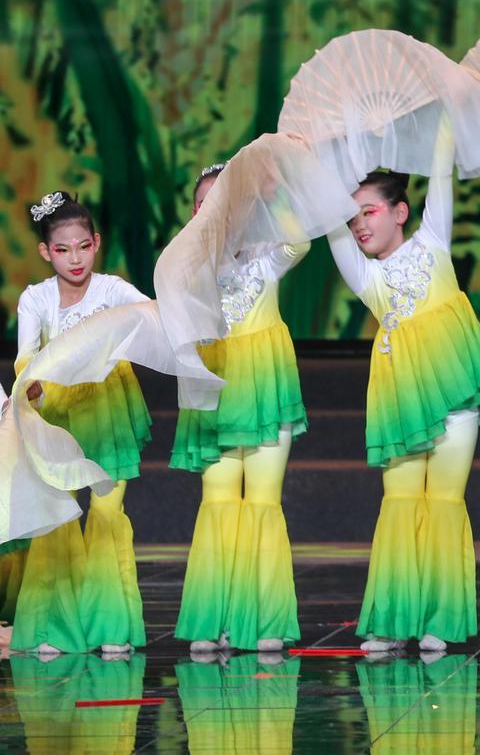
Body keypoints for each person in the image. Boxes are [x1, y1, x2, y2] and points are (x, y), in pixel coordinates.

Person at [325, 119, 480, 653]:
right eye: (353, 217)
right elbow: (329, 221)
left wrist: (446, 118)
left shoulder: (433, 241)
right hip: (400, 397)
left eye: (369, 212)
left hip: (454, 391)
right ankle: (391, 621)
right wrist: (329, 153)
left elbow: (442, 173)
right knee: (400, 503)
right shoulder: (366, 276)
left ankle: (439, 622)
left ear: (400, 212)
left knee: (445, 501)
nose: (359, 225)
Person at [172, 162, 308, 654]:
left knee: (263, 503)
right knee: (218, 504)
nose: (213, 212)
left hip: (264, 388)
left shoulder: (265, 257)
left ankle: (264, 621)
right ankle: (214, 622)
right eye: (203, 204)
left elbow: (299, 243)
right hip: (215, 395)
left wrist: (275, 195)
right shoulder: (186, 269)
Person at [9, 191, 150, 655]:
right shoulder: (36, 298)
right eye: (63, 249)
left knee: (107, 515)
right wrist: (31, 386)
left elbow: (151, 316)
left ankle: (110, 628)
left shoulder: (112, 290)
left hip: (108, 411)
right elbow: (26, 357)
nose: (75, 258)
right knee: (58, 517)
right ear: (45, 252)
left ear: (97, 243)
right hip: (57, 418)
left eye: (83, 247)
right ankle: (54, 628)